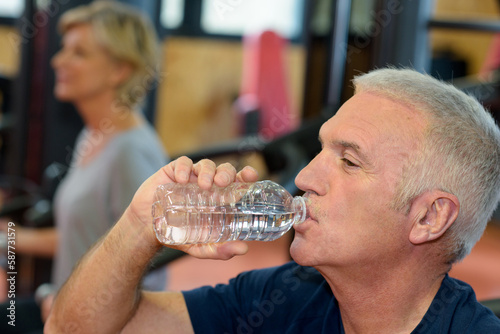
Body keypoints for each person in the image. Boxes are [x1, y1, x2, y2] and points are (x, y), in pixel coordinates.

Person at [45, 68, 500, 333]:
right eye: (320, 150)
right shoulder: (283, 297)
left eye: (350, 162)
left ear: (429, 216)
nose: (304, 177)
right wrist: (138, 225)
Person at [0, 1, 169, 331]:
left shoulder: (130, 151)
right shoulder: (93, 135)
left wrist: (66, 307)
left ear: (119, 69)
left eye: (78, 53)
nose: (57, 60)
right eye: (64, 49)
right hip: (62, 301)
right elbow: (84, 234)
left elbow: (149, 261)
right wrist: (8, 237)